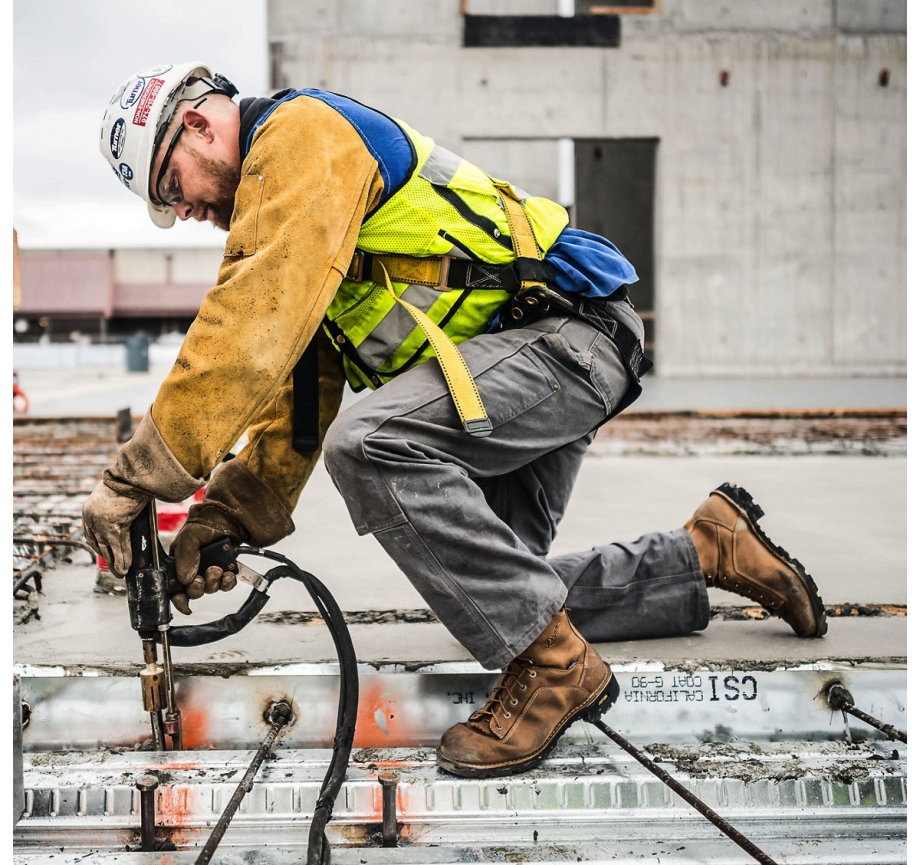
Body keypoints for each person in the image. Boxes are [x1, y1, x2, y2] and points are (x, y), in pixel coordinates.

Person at [84, 61, 827, 779]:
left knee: (372, 448)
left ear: (196, 125)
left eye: (170, 187)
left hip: (569, 338)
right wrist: (225, 518)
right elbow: (296, 403)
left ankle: (557, 669)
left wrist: (133, 479)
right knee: (496, 594)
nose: (181, 213)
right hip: (518, 367)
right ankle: (701, 553)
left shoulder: (298, 139)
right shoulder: (306, 219)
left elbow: (247, 329)